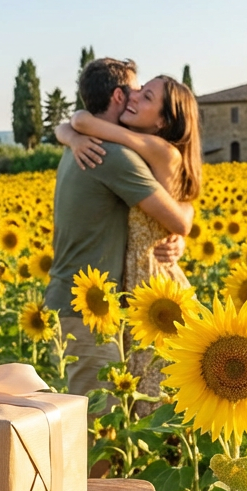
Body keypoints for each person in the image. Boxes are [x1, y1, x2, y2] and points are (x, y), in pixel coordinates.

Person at [45, 58, 194, 400]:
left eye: (146, 95)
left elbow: (161, 222)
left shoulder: (84, 142)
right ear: (117, 96)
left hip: (92, 300)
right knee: (100, 420)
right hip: (85, 305)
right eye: (135, 90)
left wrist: (68, 132)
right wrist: (182, 223)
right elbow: (177, 220)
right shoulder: (110, 155)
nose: (137, 95)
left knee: (108, 415)